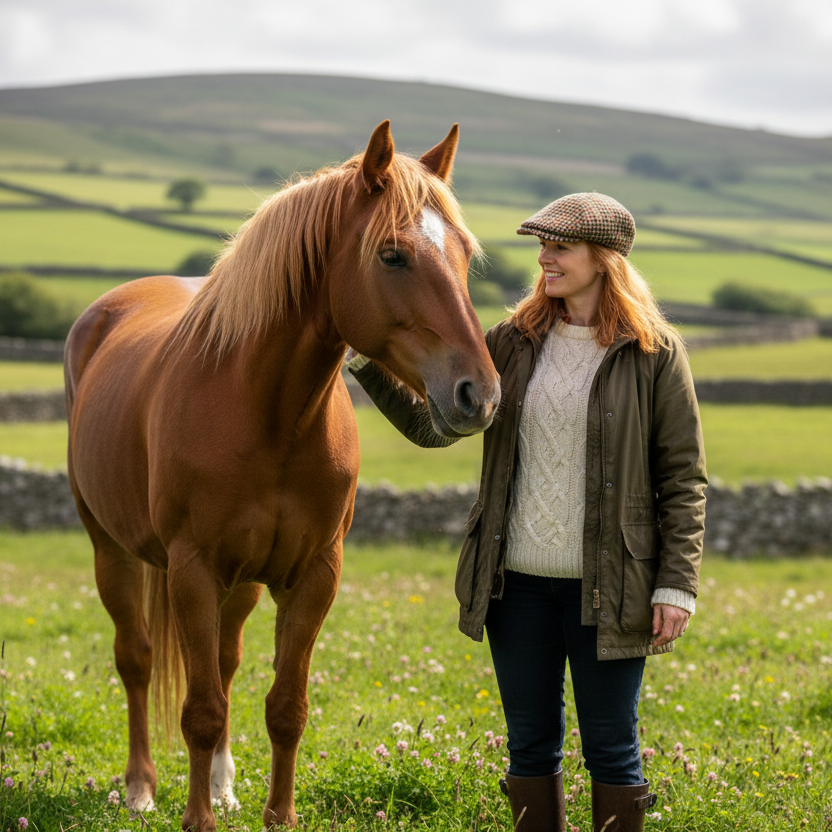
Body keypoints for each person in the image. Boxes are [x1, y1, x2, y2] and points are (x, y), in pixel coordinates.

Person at [348, 192, 707, 832]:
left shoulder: (655, 353)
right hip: (515, 586)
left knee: (611, 746)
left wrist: (676, 585)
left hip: (612, 585)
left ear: (604, 258)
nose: (545, 259)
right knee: (529, 746)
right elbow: (438, 427)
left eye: (560, 247)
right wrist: (365, 363)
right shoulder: (512, 342)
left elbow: (683, 479)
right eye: (542, 246)